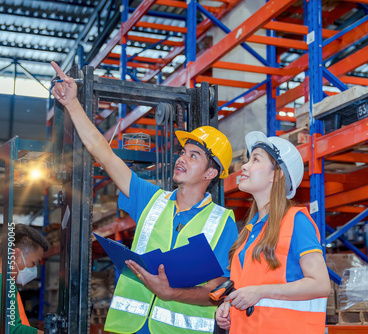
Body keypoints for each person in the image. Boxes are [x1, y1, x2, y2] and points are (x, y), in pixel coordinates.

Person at [50, 62, 238, 334]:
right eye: (183, 152)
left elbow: (216, 289)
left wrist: (172, 293)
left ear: (211, 172)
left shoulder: (223, 222)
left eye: (193, 155)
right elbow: (102, 153)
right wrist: (72, 104)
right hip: (130, 328)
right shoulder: (152, 199)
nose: (181, 159)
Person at [215, 131, 330, 334]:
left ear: (275, 174)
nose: (244, 166)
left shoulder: (296, 221)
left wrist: (260, 291)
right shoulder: (250, 231)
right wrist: (231, 305)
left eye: (255, 159)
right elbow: (250, 289)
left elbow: (320, 284)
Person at [0, 224, 49, 334]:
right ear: (16, 255)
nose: (34, 270)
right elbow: (13, 330)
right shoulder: (4, 284)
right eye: (34, 263)